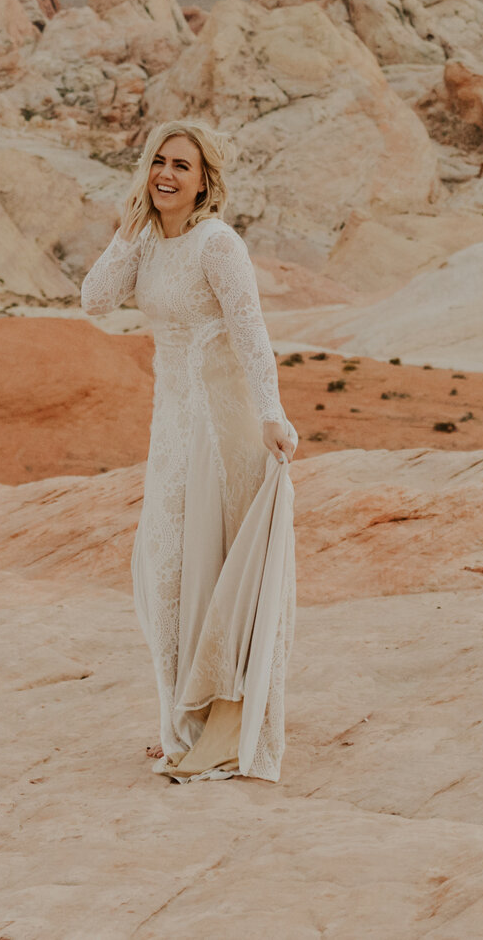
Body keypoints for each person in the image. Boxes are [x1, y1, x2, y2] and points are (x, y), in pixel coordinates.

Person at [81, 119, 298, 782]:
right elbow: (94, 299)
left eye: (183, 165)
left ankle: (208, 723)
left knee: (199, 563)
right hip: (170, 425)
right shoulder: (146, 245)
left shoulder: (218, 243)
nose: (168, 174)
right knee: (163, 570)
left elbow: (251, 331)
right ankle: (181, 717)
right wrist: (126, 228)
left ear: (205, 179)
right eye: (158, 162)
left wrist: (272, 413)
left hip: (219, 424)